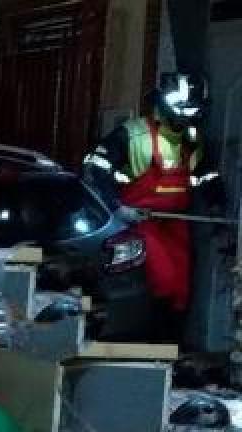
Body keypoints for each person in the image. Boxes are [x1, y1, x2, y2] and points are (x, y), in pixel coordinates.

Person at [82, 72, 220, 340]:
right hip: (139, 222)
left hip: (176, 223)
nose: (186, 120)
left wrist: (216, 205)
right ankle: (151, 340)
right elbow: (94, 170)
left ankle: (171, 343)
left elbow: (206, 175)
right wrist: (117, 208)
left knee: (180, 287)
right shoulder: (133, 135)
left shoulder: (191, 139)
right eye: (181, 113)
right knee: (161, 280)